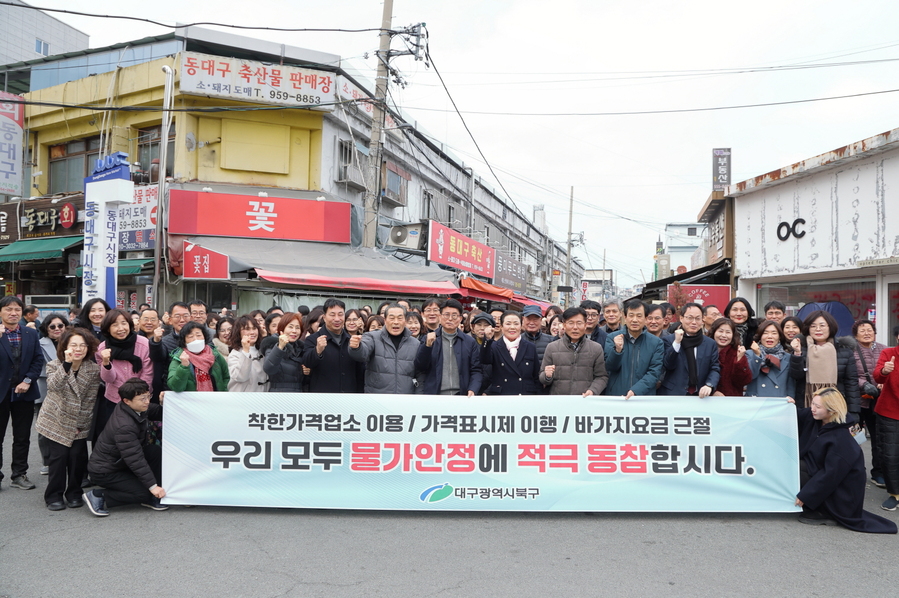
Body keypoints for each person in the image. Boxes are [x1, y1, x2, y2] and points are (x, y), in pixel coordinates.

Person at [794, 387, 896, 533]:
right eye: (812, 404)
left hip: (842, 493)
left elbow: (831, 475)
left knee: (797, 470)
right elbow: (795, 414)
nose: (812, 409)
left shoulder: (842, 438)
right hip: (823, 471)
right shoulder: (817, 417)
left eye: (817, 406)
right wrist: (787, 405)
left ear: (832, 411)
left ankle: (825, 511)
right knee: (792, 466)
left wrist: (806, 495)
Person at [35, 328, 100, 510]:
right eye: (73, 345)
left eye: (82, 345)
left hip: (79, 420)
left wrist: (80, 425)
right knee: (58, 458)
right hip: (55, 419)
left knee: (77, 459)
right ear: (65, 347)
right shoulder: (55, 365)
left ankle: (74, 493)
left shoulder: (93, 369)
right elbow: (53, 387)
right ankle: (53, 496)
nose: (78, 349)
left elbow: (90, 399)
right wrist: (67, 364)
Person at [84, 378, 169, 515]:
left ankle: (153, 495)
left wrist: (164, 402)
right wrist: (152, 487)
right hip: (106, 470)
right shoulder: (124, 426)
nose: (147, 401)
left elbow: (158, 412)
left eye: (148, 396)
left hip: (120, 462)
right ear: (127, 401)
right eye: (142, 398)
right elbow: (135, 459)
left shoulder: (134, 408)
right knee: (143, 492)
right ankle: (98, 495)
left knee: (153, 451)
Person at [0, 295, 46, 490]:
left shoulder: (30, 333)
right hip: (1, 392)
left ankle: (19, 474)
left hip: (23, 393)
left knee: (22, 436)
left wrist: (28, 380)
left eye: (17, 309)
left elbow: (37, 360)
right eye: (8, 309)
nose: (13, 313)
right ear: (1, 312)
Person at [95, 309, 154, 439]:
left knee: (139, 437)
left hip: (139, 400)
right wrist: (106, 362)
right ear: (107, 328)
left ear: (130, 325)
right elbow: (108, 379)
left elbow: (147, 374)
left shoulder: (143, 343)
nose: (120, 328)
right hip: (114, 399)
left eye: (124, 323)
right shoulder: (103, 348)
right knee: (116, 437)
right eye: (115, 325)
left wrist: (137, 397)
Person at [789, 310, 859, 412]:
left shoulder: (844, 350)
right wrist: (797, 353)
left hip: (835, 406)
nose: (818, 329)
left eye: (822, 325)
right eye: (813, 326)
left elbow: (851, 383)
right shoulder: (801, 348)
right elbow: (796, 376)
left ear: (830, 327)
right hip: (806, 405)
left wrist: (854, 412)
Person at [415, 299, 483, 396]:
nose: (450, 319)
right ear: (440, 316)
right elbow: (420, 367)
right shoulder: (429, 338)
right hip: (435, 395)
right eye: (446, 315)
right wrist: (427, 346)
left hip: (462, 396)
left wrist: (473, 388)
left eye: (454, 315)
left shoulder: (469, 342)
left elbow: (476, 370)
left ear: (460, 318)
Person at [349, 303, 420, 394]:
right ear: (385, 320)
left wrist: (418, 396)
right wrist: (356, 347)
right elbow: (362, 354)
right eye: (391, 318)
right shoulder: (372, 337)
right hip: (377, 399)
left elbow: (420, 375)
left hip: (404, 400)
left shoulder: (416, 344)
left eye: (399, 318)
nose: (396, 322)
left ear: (405, 321)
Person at [849, 319, 886, 487]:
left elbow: (888, 372)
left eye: (869, 329)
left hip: (878, 401)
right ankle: (854, 471)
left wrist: (883, 382)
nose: (866, 333)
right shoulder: (850, 349)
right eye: (862, 330)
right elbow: (847, 374)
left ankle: (878, 472)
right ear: (855, 334)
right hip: (856, 401)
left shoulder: (883, 349)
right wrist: (864, 385)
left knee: (879, 438)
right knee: (854, 438)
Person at [539, 306, 608, 397]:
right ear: (564, 325)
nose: (575, 327)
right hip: (559, 402)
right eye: (571, 323)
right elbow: (542, 377)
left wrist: (593, 391)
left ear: (585, 324)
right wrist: (547, 376)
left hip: (585, 401)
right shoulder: (552, 347)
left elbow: (602, 376)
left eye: (579, 323)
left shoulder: (596, 348)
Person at [604, 299, 664, 399]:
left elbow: (654, 372)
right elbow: (610, 367)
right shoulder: (612, 338)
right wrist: (617, 350)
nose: (635, 320)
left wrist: (636, 390)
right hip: (616, 396)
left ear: (645, 318)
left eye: (639, 316)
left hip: (644, 397)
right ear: (625, 317)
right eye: (631, 315)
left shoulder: (656, 342)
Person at [658, 303, 720, 397]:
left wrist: (709, 385)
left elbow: (715, 368)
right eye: (690, 318)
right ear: (681, 318)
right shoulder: (669, 340)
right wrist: (677, 343)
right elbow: (668, 365)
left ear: (703, 320)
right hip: (673, 394)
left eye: (698, 318)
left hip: (700, 395)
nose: (694, 322)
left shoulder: (710, 344)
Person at [303, 299, 364, 393]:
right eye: (332, 315)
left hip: (349, 397)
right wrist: (317, 350)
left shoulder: (351, 340)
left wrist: (358, 349)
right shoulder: (313, 339)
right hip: (323, 397)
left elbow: (360, 371)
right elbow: (307, 363)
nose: (337, 319)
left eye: (340, 314)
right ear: (324, 317)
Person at [35, 313, 69, 475]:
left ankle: (66, 460)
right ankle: (47, 461)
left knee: (68, 427)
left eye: (60, 326)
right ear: (46, 329)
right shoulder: (39, 343)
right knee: (45, 429)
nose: (57, 329)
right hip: (45, 389)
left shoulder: (74, 343)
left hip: (70, 391)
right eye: (52, 326)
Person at [480, 311, 540, 395]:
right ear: (501, 326)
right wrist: (487, 339)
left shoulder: (530, 347)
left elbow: (536, 376)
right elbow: (485, 359)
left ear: (521, 325)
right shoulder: (494, 346)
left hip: (525, 396)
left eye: (516, 324)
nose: (512, 327)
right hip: (502, 396)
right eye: (508, 324)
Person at [873, 329, 899, 511]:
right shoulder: (888, 353)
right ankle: (894, 493)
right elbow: (877, 376)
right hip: (889, 412)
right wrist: (884, 370)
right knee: (890, 456)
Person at [167, 322, 230, 392]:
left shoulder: (215, 354)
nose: (195, 339)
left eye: (199, 335)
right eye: (190, 337)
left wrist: (223, 392)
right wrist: (183, 367)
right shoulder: (179, 358)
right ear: (184, 341)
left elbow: (226, 376)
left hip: (215, 400)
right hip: (191, 401)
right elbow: (175, 387)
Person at [746, 319, 795, 400]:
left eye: (774, 333)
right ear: (760, 336)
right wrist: (757, 355)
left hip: (779, 402)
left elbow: (790, 385)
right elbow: (750, 377)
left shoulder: (787, 357)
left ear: (779, 337)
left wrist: (790, 398)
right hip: (756, 401)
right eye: (765, 333)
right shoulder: (750, 354)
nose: (769, 336)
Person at [708, 318, 751, 397]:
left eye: (728, 332)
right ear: (713, 332)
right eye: (720, 331)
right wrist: (713, 391)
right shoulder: (705, 350)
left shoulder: (737, 352)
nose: (724, 335)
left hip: (732, 400)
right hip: (706, 399)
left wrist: (739, 361)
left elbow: (744, 381)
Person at [263, 312, 305, 393]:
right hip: (279, 396)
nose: (294, 331)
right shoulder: (272, 344)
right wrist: (280, 347)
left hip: (298, 396)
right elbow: (269, 369)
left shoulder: (301, 348)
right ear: (282, 328)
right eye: (290, 327)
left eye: (297, 328)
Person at [227, 315, 269, 392]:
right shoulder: (235, 354)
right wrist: (246, 350)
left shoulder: (262, 351)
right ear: (238, 332)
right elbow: (241, 377)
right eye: (247, 329)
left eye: (254, 328)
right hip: (243, 400)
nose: (252, 332)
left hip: (263, 399)